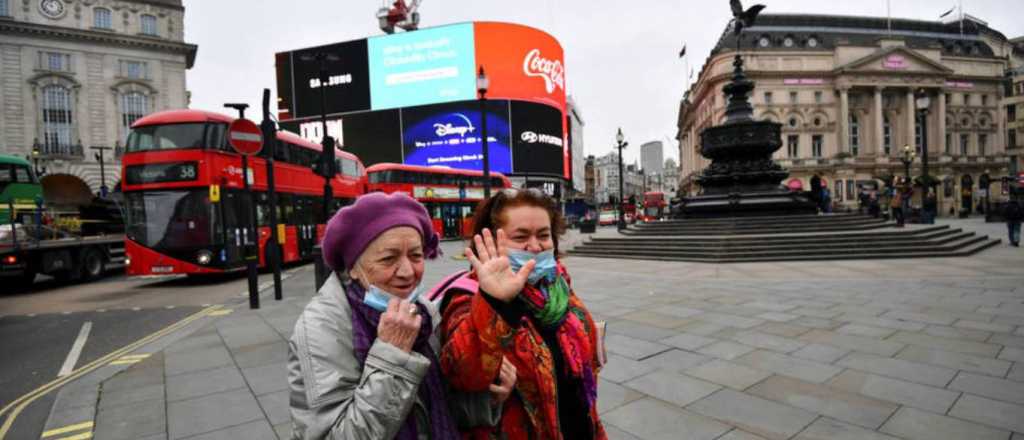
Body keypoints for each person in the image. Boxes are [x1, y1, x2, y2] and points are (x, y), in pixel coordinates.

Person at [287, 192, 509, 440]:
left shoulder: (425, 314)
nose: (407, 272)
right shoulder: (322, 330)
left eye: (415, 256)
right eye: (388, 258)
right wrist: (392, 356)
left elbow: (441, 407)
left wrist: (487, 396)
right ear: (354, 268)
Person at [439, 189, 607, 439]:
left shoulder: (557, 284)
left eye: (543, 235)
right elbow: (463, 373)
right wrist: (496, 302)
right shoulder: (469, 297)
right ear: (493, 243)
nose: (536, 246)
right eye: (521, 237)